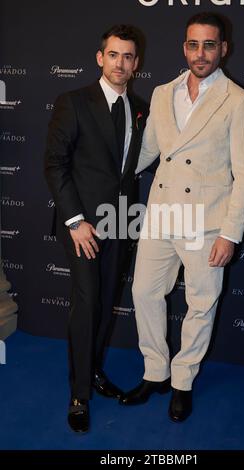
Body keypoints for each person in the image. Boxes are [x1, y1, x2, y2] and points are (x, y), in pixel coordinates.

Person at [119, 12, 244, 422]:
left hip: (208, 222)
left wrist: (230, 234)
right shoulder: (164, 93)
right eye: (194, 45)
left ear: (223, 49)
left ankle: (182, 380)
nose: (201, 53)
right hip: (162, 216)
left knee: (200, 304)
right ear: (184, 48)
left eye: (210, 45)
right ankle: (155, 371)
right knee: (144, 293)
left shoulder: (239, 101)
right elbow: (148, 151)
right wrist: (109, 174)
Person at [44, 24, 148, 433]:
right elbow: (55, 164)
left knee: (105, 302)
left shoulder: (139, 108)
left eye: (128, 56)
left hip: (120, 222)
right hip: (81, 225)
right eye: (114, 54)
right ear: (99, 57)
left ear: (136, 63)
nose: (120, 63)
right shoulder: (73, 101)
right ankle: (79, 394)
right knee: (87, 302)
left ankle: (95, 373)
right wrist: (75, 221)